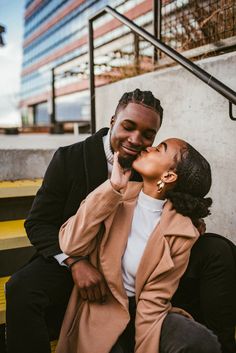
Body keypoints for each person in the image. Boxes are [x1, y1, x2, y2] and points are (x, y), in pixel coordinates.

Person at [5, 89, 235, 353]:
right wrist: (74, 262)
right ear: (113, 120)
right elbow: (38, 223)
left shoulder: (146, 166)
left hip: (139, 267)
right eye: (128, 126)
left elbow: (167, 193)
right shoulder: (69, 158)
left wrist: (189, 218)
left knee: (218, 249)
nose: (137, 140)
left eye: (149, 135)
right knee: (22, 288)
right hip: (76, 254)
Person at [55, 137, 220, 353]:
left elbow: (154, 301)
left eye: (160, 149)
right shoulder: (115, 195)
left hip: (148, 313)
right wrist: (112, 187)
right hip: (102, 309)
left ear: (168, 176)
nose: (149, 147)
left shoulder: (182, 232)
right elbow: (70, 243)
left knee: (201, 342)